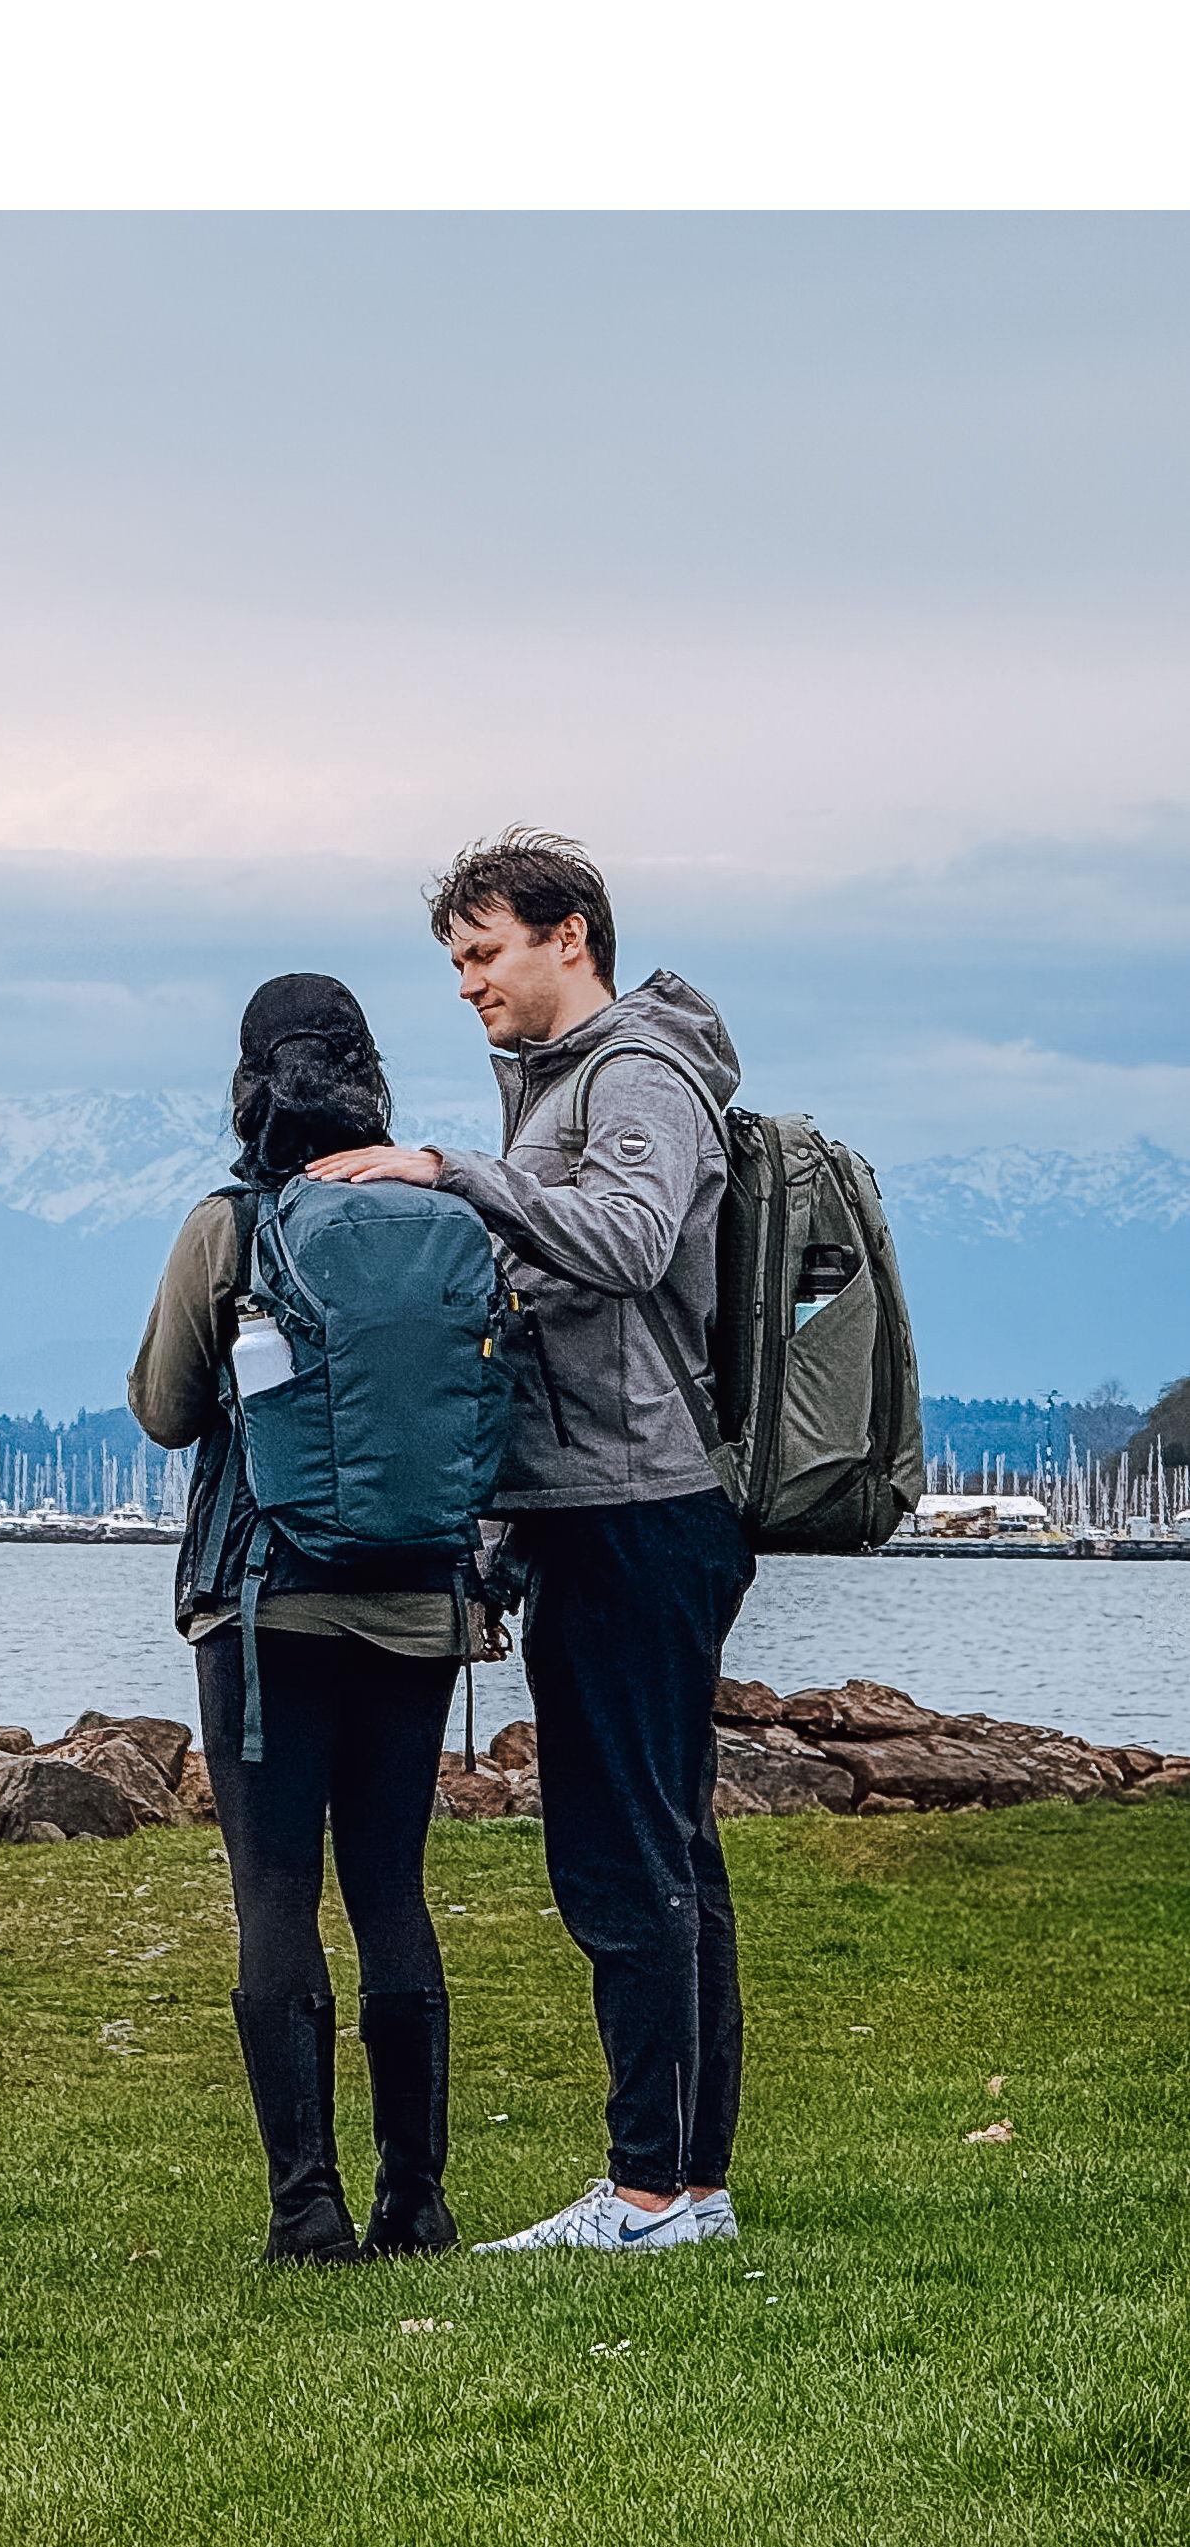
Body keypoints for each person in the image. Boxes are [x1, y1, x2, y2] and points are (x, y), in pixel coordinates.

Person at [306, 829, 752, 2255]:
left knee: (630, 1860)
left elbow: (623, 1243)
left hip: (638, 1511)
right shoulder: (564, 1086)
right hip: (595, 1511)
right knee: (666, 1849)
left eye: (485, 953)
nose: (468, 985)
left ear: (572, 937)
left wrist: (449, 1174)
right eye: (455, 963)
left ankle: (647, 2193)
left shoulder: (635, 1077)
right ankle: (683, 2185)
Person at [131, 974, 471, 2267]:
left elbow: (167, 1407)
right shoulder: (434, 1216)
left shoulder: (229, 1227)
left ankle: (305, 2209)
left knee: (275, 1890)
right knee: (391, 1885)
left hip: (261, 1609)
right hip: (416, 1606)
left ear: (247, 1079)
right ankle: (417, 2202)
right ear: (370, 1075)